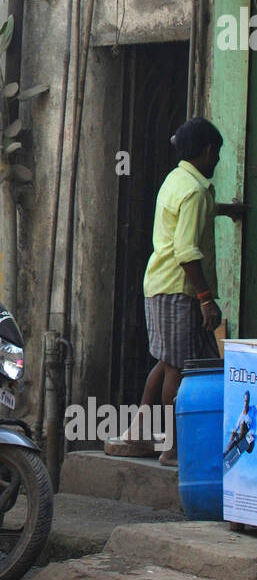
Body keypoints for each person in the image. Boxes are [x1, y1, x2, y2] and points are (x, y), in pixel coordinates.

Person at [107, 117, 244, 467]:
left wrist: (228, 210)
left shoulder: (178, 179)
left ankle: (137, 433)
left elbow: (193, 214)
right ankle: (174, 448)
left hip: (160, 285)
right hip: (178, 289)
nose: (216, 162)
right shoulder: (195, 191)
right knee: (178, 368)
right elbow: (186, 252)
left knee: (168, 360)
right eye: (217, 155)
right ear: (208, 151)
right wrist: (205, 298)